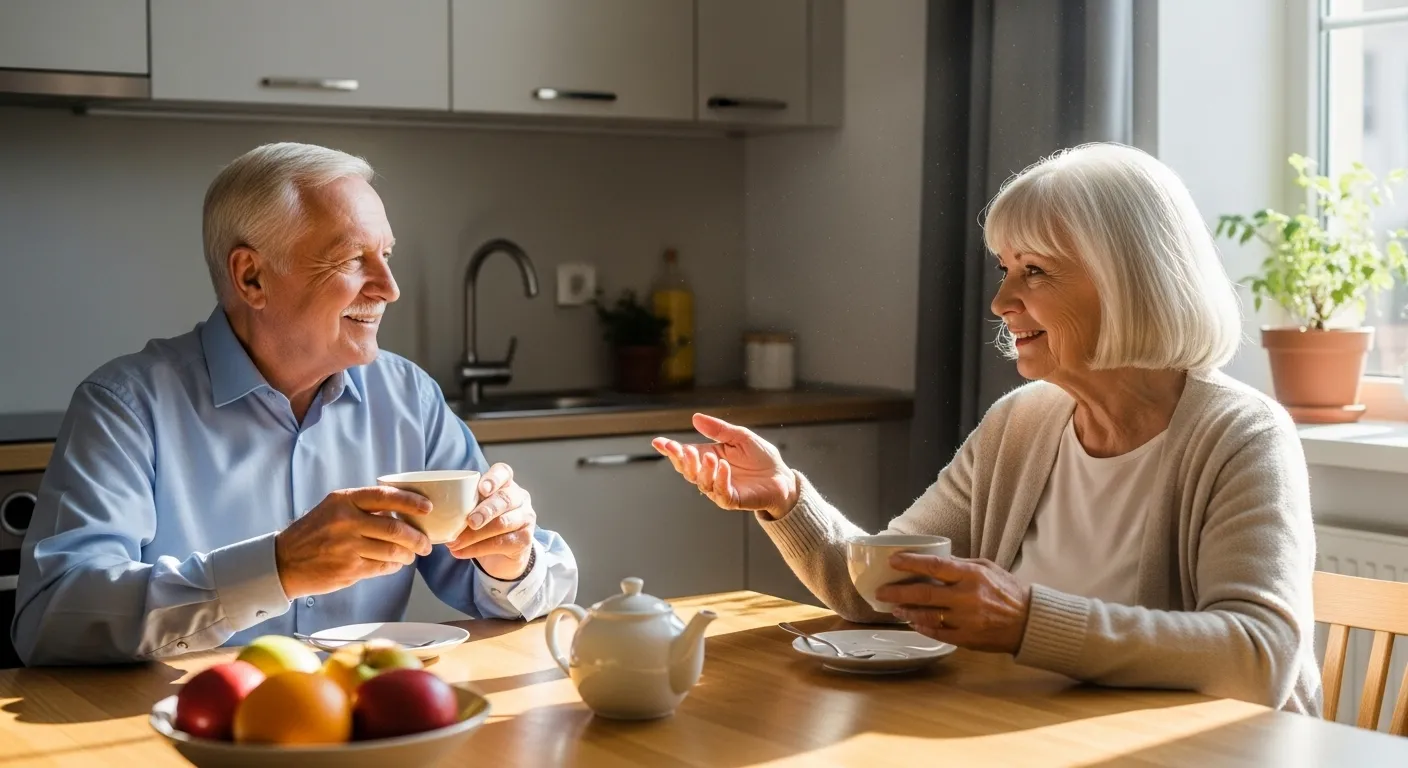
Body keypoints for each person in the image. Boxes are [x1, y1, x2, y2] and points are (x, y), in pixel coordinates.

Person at [653, 143, 1320, 713]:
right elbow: (883, 594)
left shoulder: (1242, 435)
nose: (1001, 302)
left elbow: (1259, 657)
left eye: (1035, 271)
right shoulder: (1022, 424)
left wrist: (1029, 620)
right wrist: (785, 499)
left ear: (1129, 281)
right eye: (1005, 269)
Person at [12, 143, 577, 665]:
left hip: (364, 722)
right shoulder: (126, 408)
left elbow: (532, 585)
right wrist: (275, 568)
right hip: (185, 731)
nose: (388, 286)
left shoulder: (409, 397)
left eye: (386, 255)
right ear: (252, 277)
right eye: (353, 259)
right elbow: (52, 616)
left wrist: (508, 560)